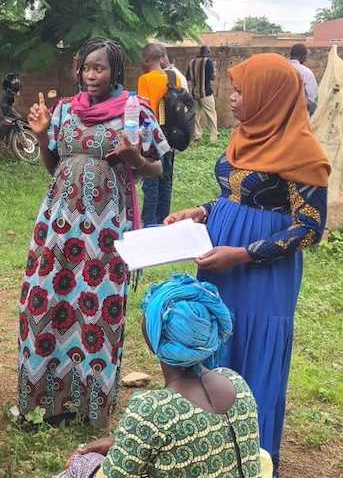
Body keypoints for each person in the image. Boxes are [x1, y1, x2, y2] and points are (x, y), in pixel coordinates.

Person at [165, 53, 330, 476]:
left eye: (240, 91)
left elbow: (309, 228)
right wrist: (199, 211)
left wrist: (243, 254)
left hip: (261, 276)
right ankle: (206, 449)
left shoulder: (302, 153)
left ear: (269, 97)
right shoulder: (246, 136)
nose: (232, 98)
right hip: (220, 264)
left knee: (250, 348)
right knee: (214, 342)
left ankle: (248, 459)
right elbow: (233, 196)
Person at [18, 37, 169, 428]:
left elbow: (157, 168)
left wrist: (135, 157)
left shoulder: (135, 111)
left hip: (104, 231)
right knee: (47, 298)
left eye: (98, 68)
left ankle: (92, 402)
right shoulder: (65, 110)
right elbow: (55, 166)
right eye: (86, 68)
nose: (90, 75)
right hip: (58, 225)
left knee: (97, 306)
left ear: (115, 71)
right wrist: (39, 135)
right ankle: (48, 399)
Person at [63, 275, 265, 478]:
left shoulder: (152, 410)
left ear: (153, 337)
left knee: (83, 464)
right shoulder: (236, 382)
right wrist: (122, 439)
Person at [137, 42, 177, 226]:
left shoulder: (144, 80)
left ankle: (149, 221)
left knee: (151, 180)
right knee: (166, 178)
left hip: (152, 136)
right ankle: (163, 218)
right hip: (170, 134)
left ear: (146, 59)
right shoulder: (172, 77)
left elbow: (144, 111)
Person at [186, 45, 219, 142]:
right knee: (211, 114)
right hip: (206, 92)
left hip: (194, 93)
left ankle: (197, 136)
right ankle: (213, 136)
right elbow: (212, 77)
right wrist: (214, 68)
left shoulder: (191, 62)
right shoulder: (208, 62)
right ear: (208, 52)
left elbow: (187, 77)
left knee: (195, 115)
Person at [288, 44, 318, 115]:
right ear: (303, 56)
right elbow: (312, 99)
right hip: (298, 115)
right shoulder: (306, 73)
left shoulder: (279, 68)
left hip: (277, 116)